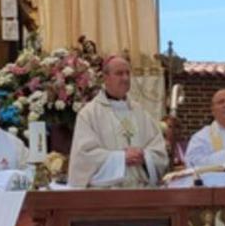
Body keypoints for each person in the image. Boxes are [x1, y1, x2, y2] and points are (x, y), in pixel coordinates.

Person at [68, 56, 168, 188]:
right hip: (106, 197)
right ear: (105, 78)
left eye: (128, 73)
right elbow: (84, 158)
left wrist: (145, 157)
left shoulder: (140, 112)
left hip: (141, 193)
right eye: (119, 73)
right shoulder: (89, 114)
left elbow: (159, 152)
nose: (125, 78)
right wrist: (121, 158)